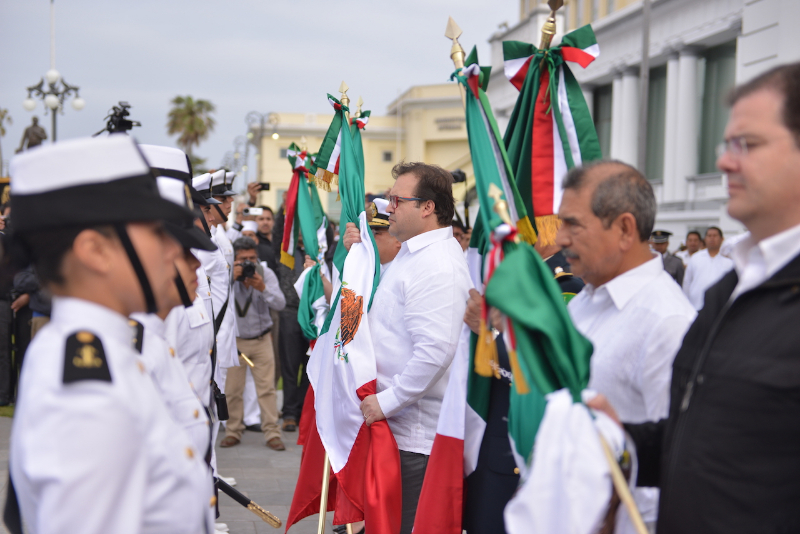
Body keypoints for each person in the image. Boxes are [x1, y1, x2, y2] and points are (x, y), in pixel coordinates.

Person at [587, 61, 800, 534]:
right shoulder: (735, 285)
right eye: (726, 145)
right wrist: (619, 436)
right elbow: (704, 440)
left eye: (749, 144)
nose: (725, 162)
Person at [7, 135, 214, 534]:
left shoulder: (108, 352)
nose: (174, 251)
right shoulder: (89, 393)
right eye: (156, 232)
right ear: (95, 251)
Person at [556, 160, 697, 532]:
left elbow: (667, 465)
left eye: (574, 224)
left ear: (624, 229)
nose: (560, 240)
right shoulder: (585, 300)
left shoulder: (667, 321)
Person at [344, 162, 471, 534]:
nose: (388, 206)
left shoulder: (437, 266)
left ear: (428, 207)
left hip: (414, 437)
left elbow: (435, 351)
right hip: (393, 428)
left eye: (397, 199)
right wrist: (358, 254)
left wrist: (386, 400)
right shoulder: (412, 255)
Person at [221, 237, 286, 450]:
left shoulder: (265, 274)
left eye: (252, 258)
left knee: (267, 389)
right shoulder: (226, 275)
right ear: (234, 259)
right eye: (243, 260)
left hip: (261, 340)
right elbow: (216, 301)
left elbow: (280, 303)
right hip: (236, 342)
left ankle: (272, 433)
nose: (249, 263)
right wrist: (232, 279)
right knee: (232, 390)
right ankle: (233, 431)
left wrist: (263, 288)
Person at [276, 233, 310, 432]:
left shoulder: (319, 250)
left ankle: (301, 411)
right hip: (289, 312)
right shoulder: (283, 251)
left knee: (309, 367)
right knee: (289, 366)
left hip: (313, 315)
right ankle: (289, 413)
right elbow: (279, 228)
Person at [682, 226, 734, 310]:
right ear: (705, 239)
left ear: (722, 239)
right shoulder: (696, 258)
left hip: (721, 307)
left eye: (715, 236)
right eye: (709, 236)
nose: (712, 238)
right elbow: (687, 282)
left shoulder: (729, 259)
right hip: (696, 306)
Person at [367, 198, 401, 276]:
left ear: (398, 239)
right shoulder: (372, 269)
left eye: (376, 233)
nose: (370, 238)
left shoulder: (404, 272)